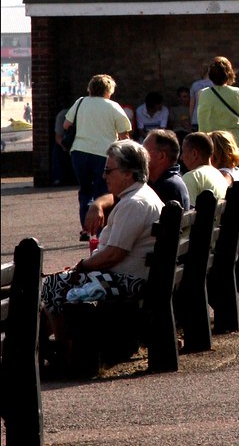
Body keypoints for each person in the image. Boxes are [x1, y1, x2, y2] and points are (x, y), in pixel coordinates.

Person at [41, 140, 164, 368]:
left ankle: (66, 355)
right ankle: (52, 346)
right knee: (57, 289)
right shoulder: (139, 196)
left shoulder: (134, 204)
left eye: (109, 170)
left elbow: (113, 255)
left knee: (53, 285)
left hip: (129, 281)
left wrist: (82, 266)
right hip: (137, 275)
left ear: (128, 173)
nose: (104, 175)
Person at [63, 74, 133, 240]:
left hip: (79, 152)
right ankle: (101, 228)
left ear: (90, 88)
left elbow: (66, 125)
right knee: (103, 191)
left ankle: (86, 228)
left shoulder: (80, 102)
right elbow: (124, 136)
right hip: (104, 154)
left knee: (85, 190)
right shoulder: (113, 106)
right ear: (109, 90)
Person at [83, 129, 191, 234]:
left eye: (144, 151)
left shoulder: (169, 187)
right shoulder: (160, 180)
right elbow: (118, 196)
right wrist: (97, 205)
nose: (139, 155)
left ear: (161, 156)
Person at [197, 56, 239, 177]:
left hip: (215, 143)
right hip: (238, 141)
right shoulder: (238, 92)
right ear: (229, 74)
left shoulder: (203, 94)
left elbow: (201, 120)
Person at [180, 131, 230, 203]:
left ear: (194, 154)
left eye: (183, 151)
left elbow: (188, 213)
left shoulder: (192, 177)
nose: (181, 158)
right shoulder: (219, 175)